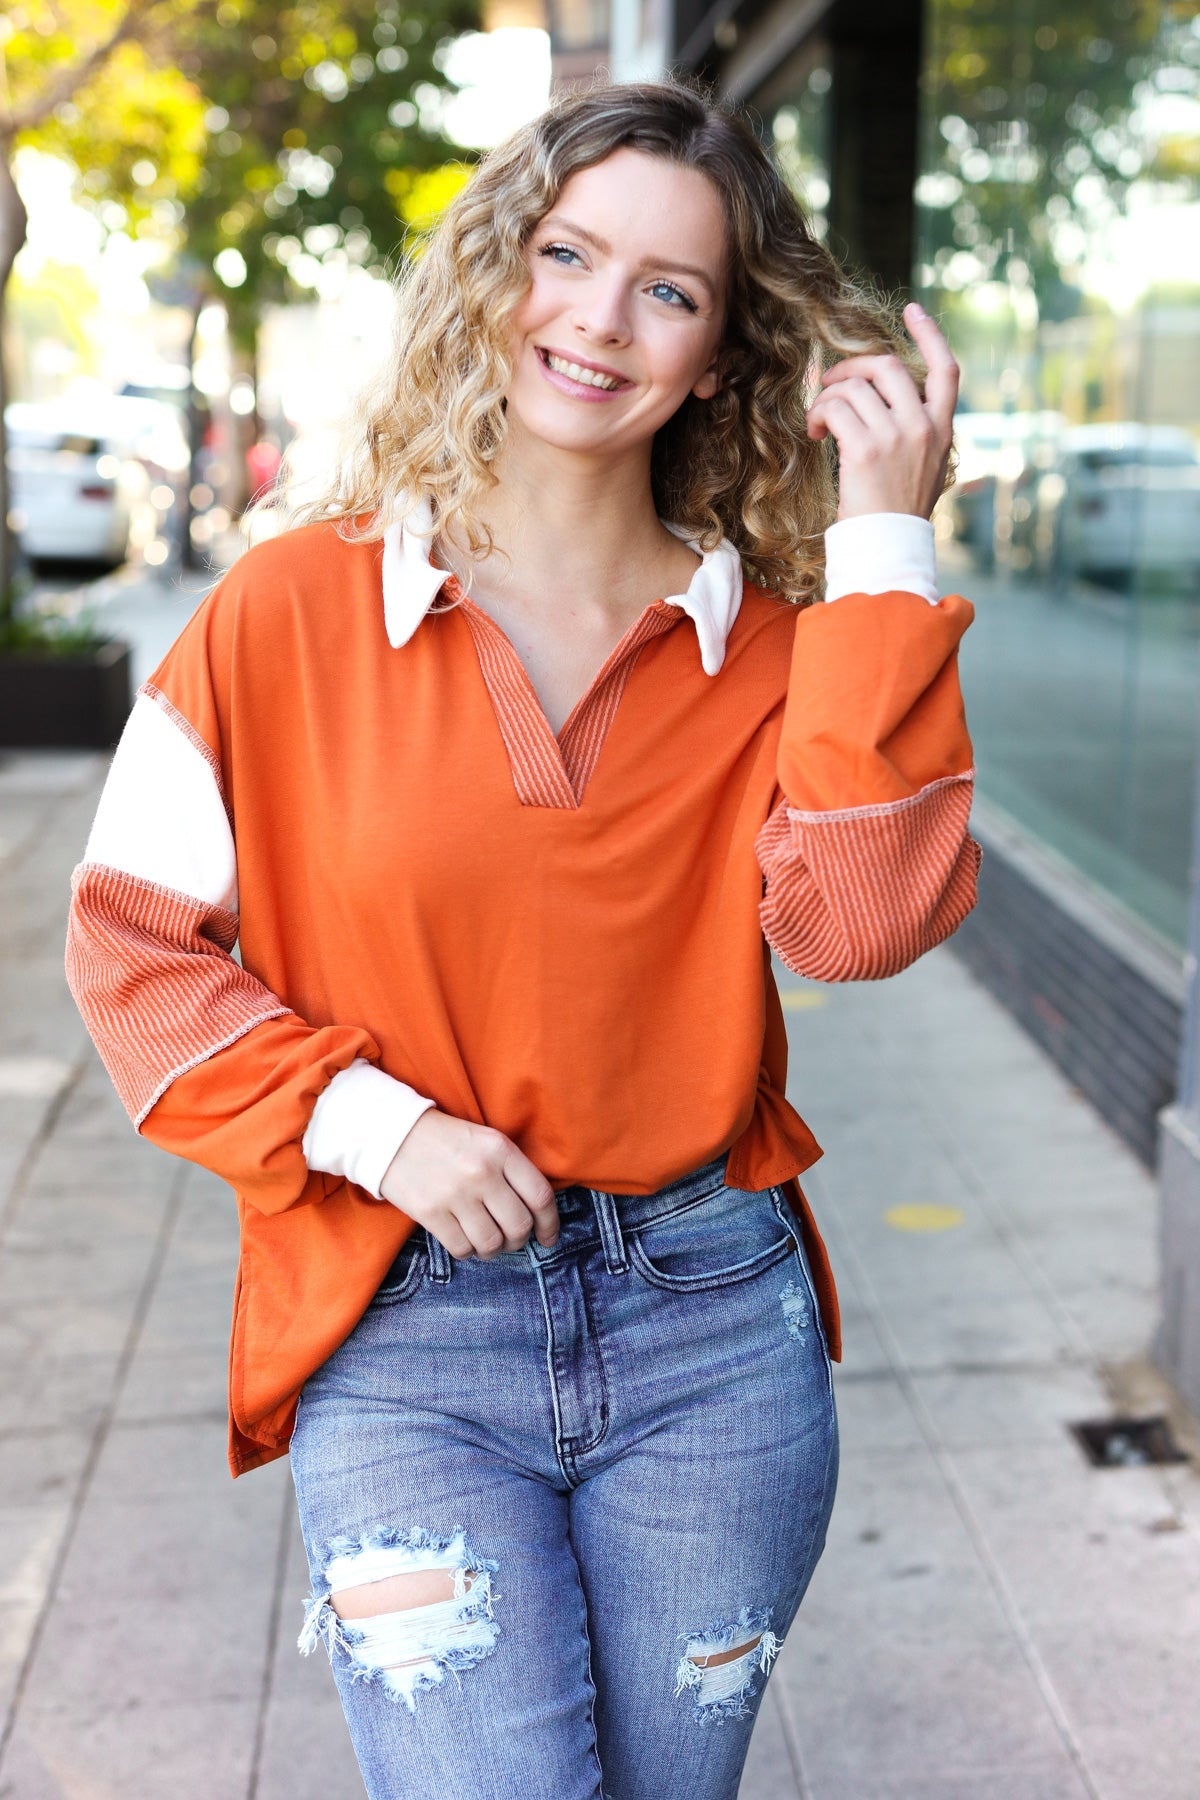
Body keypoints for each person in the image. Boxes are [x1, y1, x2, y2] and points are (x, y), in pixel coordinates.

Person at [66, 78, 977, 1800]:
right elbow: (131, 949)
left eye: (668, 290)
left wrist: (883, 538)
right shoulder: (287, 609)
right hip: (401, 1322)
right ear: (497, 276)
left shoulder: (786, 649)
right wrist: (376, 1127)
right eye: (566, 254)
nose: (597, 319)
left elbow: (858, 926)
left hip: (715, 1325)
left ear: (716, 355)